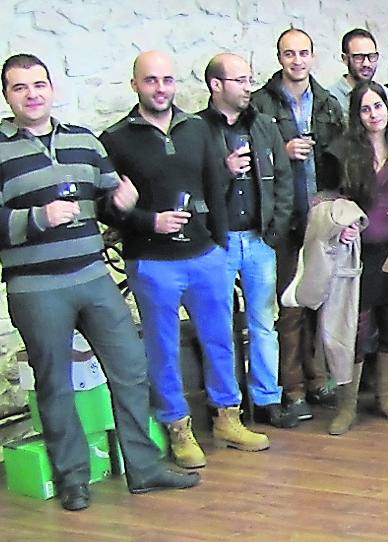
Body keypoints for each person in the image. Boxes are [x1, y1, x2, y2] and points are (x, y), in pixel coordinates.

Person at [0, 54, 199, 510]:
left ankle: (144, 468)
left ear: (52, 89)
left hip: (92, 276)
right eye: (20, 87)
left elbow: (109, 207)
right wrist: (38, 218)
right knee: (55, 384)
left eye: (39, 85)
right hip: (36, 288)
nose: (32, 94)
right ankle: (73, 478)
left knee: (131, 368)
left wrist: (123, 202)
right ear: (7, 96)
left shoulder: (82, 141)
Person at [100, 51, 268, 465]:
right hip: (152, 262)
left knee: (221, 339)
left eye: (167, 80)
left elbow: (216, 185)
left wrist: (219, 244)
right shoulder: (115, 139)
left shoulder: (195, 128)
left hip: (205, 256)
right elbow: (105, 208)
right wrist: (146, 220)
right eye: (151, 80)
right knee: (163, 347)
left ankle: (228, 418)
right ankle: (178, 428)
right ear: (135, 84)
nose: (161, 88)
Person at [251, 28, 347, 424]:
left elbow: (341, 155)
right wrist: (282, 151)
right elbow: (250, 157)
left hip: (320, 214)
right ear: (279, 57)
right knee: (289, 305)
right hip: (284, 217)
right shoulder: (260, 103)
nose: (297, 60)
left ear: (313, 56)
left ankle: (318, 378)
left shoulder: (325, 102)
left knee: (320, 302)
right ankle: (291, 388)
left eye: (303, 53)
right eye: (289, 54)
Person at [200, 53, 296, 429]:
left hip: (259, 240)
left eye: (249, 79)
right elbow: (193, 185)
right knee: (219, 326)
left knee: (263, 322)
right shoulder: (197, 130)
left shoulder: (263, 125)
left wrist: (276, 229)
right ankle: (227, 406)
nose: (248, 87)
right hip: (218, 242)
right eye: (239, 80)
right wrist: (224, 173)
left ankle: (267, 399)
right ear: (216, 85)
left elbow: (285, 178)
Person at [318, 81, 388, 435]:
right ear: (356, 114)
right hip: (355, 251)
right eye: (366, 108)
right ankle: (346, 406)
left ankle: (386, 398)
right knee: (355, 327)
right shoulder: (340, 151)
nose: (374, 114)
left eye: (379, 106)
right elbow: (325, 199)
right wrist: (338, 226)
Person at [329, 28, 379, 116]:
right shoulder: (330, 98)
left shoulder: (385, 94)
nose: (366, 63)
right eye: (359, 57)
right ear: (345, 59)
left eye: (371, 56)